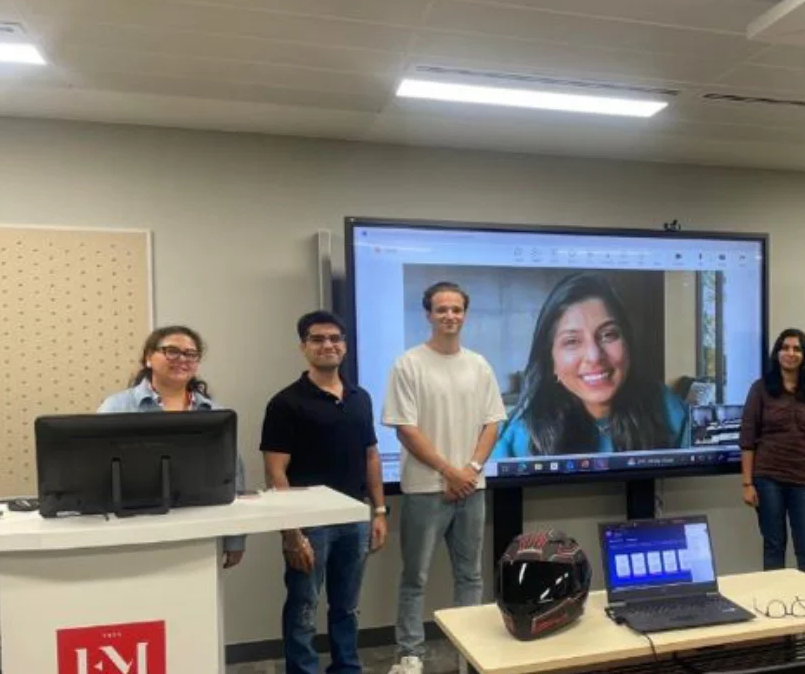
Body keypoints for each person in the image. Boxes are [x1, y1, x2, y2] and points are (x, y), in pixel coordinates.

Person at [383, 282, 507, 668]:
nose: (449, 316)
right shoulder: (409, 364)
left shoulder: (479, 365)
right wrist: (450, 472)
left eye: (456, 309)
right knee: (415, 577)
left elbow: (492, 423)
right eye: (441, 310)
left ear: (464, 315)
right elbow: (405, 428)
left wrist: (470, 471)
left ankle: (465, 654)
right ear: (428, 315)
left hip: (472, 488)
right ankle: (410, 655)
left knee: (470, 577)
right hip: (425, 488)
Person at [261, 311, 388, 674]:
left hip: (354, 519)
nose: (327, 345)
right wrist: (291, 531)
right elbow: (275, 471)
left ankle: (347, 667)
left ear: (344, 345)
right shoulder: (286, 403)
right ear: (304, 347)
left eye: (335, 338)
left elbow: (370, 455)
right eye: (317, 339)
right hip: (310, 525)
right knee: (303, 607)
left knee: (347, 607)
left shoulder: (360, 397)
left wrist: (379, 511)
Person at [492, 272, 690, 458]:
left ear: (628, 343)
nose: (594, 356)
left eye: (608, 335)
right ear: (550, 360)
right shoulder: (518, 436)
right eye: (572, 341)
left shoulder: (665, 408)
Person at [97, 325, 246, 568]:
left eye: (190, 354)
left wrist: (235, 538)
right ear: (149, 357)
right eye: (172, 351)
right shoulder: (117, 408)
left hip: (200, 535)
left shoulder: (214, 414)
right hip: (131, 534)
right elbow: (97, 472)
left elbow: (233, 478)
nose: (182, 359)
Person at [739, 328, 805, 577]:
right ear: (777, 353)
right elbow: (747, 439)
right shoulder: (760, 389)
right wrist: (747, 483)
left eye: (797, 349)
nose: (791, 353)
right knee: (774, 546)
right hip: (768, 479)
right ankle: (775, 598)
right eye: (785, 348)